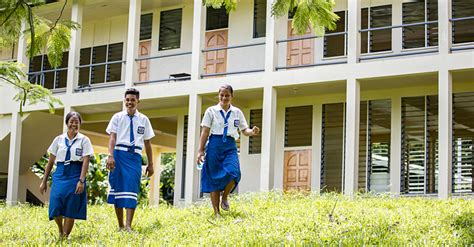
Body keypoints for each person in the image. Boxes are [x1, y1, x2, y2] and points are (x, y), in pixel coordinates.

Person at [197, 84, 260, 217]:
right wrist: (200, 151)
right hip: (214, 144)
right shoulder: (211, 111)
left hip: (230, 145)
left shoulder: (237, 112)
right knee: (213, 177)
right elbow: (205, 131)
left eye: (227, 95)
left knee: (234, 171)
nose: (224, 98)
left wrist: (252, 132)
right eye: (222, 95)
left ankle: (224, 197)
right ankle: (216, 213)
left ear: (232, 96)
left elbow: (244, 130)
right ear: (218, 95)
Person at [106, 88, 154, 231]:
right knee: (118, 190)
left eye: (133, 100)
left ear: (138, 101)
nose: (130, 102)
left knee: (132, 189)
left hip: (135, 157)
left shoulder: (144, 120)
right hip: (119, 155)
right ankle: (120, 225)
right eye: (127, 100)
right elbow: (112, 138)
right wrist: (110, 155)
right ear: (124, 101)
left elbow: (148, 143)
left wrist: (150, 164)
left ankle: (128, 226)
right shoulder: (117, 117)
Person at [40, 111, 94, 238]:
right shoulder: (58, 139)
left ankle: (64, 236)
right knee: (55, 204)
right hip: (60, 173)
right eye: (72, 122)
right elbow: (51, 161)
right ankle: (60, 230)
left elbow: (86, 161)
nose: (74, 124)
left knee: (71, 205)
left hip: (76, 173)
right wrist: (44, 181)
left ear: (80, 124)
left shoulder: (84, 140)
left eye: (77, 122)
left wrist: (81, 181)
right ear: (67, 123)